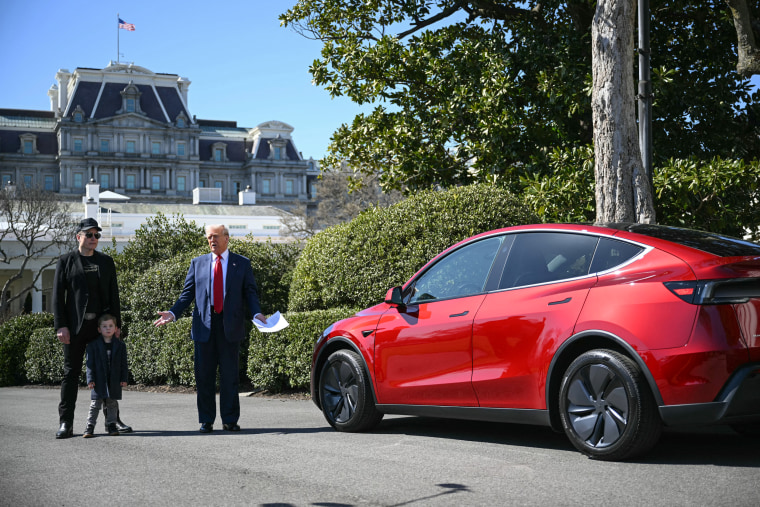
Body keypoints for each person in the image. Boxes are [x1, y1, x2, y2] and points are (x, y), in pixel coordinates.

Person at [154, 224, 267, 433]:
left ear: (226, 238)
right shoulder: (198, 263)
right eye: (208, 238)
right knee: (204, 376)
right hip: (204, 326)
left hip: (229, 326)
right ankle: (206, 420)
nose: (211, 241)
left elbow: (250, 293)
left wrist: (256, 313)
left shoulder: (241, 264)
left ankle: (230, 420)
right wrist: (173, 313)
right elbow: (186, 295)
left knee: (229, 376)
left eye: (215, 236)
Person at [53, 217, 132, 439]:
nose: (93, 239)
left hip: (102, 328)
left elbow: (114, 296)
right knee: (71, 373)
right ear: (78, 237)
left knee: (108, 374)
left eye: (97, 235)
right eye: (89, 235)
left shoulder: (106, 262)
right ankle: (65, 423)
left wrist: (116, 325)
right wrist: (61, 326)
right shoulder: (66, 261)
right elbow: (58, 298)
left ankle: (113, 420)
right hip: (76, 328)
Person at [83, 314, 129, 438]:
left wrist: (124, 379)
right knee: (95, 404)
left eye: (110, 326)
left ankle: (111, 425)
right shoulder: (92, 346)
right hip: (99, 380)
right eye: (104, 326)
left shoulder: (120, 345)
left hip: (113, 380)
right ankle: (89, 426)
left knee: (112, 404)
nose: (107, 328)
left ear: (115, 328)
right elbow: (90, 365)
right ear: (99, 329)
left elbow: (123, 364)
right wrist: (90, 379)